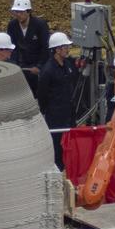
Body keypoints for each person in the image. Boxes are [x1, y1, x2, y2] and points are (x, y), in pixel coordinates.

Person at [38, 31, 78, 168]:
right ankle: (59, 168)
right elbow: (42, 95)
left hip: (69, 112)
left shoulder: (67, 65)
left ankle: (68, 167)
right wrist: (47, 111)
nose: (68, 49)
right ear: (57, 49)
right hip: (56, 116)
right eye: (65, 47)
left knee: (70, 142)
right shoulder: (48, 71)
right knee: (58, 144)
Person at [6, 0, 51, 93]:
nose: (18, 15)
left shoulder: (40, 25)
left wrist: (39, 66)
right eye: (16, 12)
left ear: (28, 12)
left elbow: (45, 48)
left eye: (21, 12)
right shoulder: (12, 25)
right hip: (22, 66)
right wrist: (15, 65)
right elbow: (12, 48)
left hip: (37, 66)